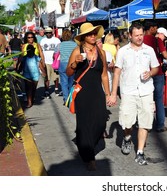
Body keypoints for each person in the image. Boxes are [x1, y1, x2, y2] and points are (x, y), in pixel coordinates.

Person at [109, 23, 159, 165]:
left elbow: (156, 68)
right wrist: (113, 94)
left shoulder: (149, 50)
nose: (139, 38)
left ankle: (140, 152)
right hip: (128, 91)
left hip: (146, 91)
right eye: (136, 35)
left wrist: (150, 73)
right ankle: (127, 138)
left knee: (145, 122)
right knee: (127, 122)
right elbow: (117, 72)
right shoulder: (123, 51)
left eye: (141, 35)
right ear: (130, 35)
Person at [66, 22, 114, 171]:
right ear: (83, 37)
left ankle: (84, 142)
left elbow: (104, 75)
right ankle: (88, 156)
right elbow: (68, 72)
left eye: (94, 33)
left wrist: (109, 94)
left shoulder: (101, 52)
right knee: (84, 124)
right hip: (82, 93)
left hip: (97, 92)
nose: (93, 36)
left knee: (100, 122)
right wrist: (75, 63)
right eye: (89, 34)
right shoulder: (77, 51)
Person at [17, 32, 46, 108]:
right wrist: (18, 67)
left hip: (35, 72)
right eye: (28, 37)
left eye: (31, 37)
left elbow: (41, 55)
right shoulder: (24, 46)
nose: (30, 39)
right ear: (26, 38)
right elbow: (21, 56)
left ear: (34, 37)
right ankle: (29, 101)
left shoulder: (37, 45)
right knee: (28, 87)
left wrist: (43, 64)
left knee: (33, 88)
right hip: (26, 71)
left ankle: (31, 99)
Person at [152, 27, 167, 132]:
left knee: (147, 98)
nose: (164, 39)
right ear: (160, 34)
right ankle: (160, 124)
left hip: (147, 72)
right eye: (164, 36)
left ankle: (144, 123)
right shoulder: (158, 40)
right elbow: (166, 55)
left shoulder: (145, 40)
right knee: (159, 99)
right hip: (157, 72)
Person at [55, 29, 77, 104]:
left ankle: (66, 99)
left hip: (63, 64)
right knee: (71, 82)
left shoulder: (60, 45)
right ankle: (71, 99)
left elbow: (55, 54)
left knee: (64, 83)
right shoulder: (75, 44)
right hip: (72, 64)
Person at [40, 27, 61, 98]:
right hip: (46, 61)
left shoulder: (56, 40)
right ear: (45, 33)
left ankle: (56, 89)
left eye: (49, 32)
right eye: (47, 33)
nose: (48, 34)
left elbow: (59, 50)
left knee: (56, 77)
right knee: (46, 77)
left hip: (54, 62)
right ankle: (46, 90)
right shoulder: (43, 40)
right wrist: (41, 61)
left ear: (52, 33)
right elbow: (41, 51)